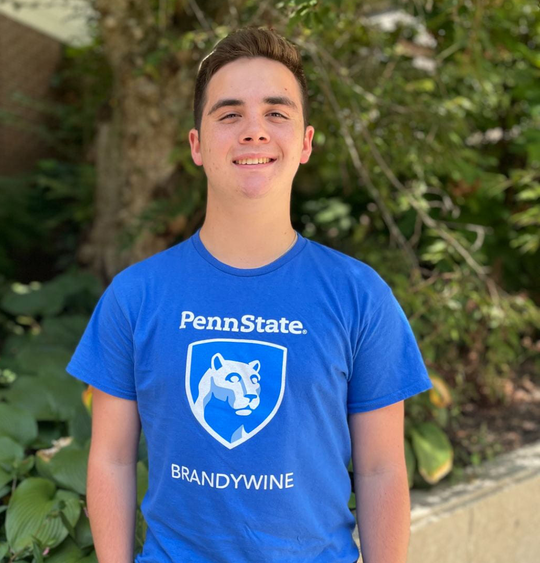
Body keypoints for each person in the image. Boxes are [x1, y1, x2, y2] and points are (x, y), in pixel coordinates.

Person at [67, 26, 432, 563]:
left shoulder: (360, 296)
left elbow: (381, 468)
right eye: (230, 113)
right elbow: (112, 459)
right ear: (197, 144)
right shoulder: (135, 296)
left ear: (305, 143)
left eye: (277, 113)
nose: (254, 131)